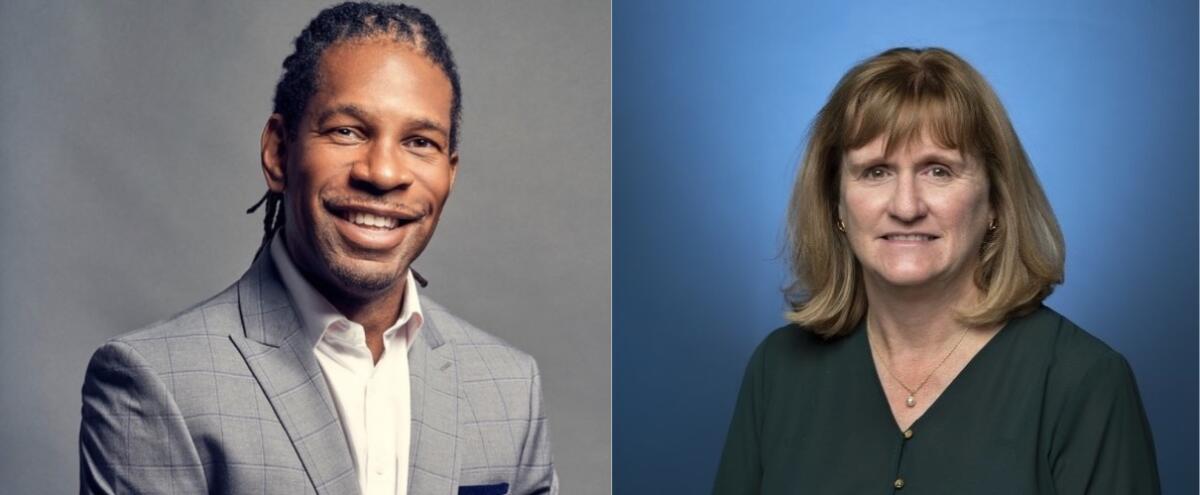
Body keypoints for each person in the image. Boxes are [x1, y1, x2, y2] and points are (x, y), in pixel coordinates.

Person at [79, 3, 557, 494]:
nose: (384, 173)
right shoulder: (157, 383)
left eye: (419, 142)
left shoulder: (510, 388)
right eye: (347, 131)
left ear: (449, 174)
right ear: (278, 153)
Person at [713, 47, 1159, 494]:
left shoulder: (1083, 383)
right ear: (837, 204)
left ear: (995, 203)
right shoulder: (778, 370)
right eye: (875, 172)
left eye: (939, 171)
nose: (906, 206)